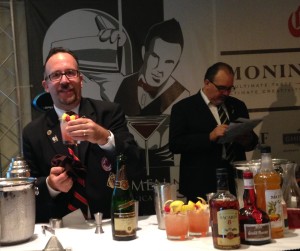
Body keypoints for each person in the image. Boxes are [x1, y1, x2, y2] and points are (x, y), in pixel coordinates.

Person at [22, 47, 143, 223]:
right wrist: (50, 185)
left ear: (81, 79)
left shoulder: (109, 113)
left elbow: (135, 164)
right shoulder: (32, 132)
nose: (64, 81)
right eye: (55, 75)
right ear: (46, 86)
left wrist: (105, 138)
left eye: (70, 73)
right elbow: (29, 189)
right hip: (61, 228)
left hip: (110, 223)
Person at [169, 62, 259, 201]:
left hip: (235, 182)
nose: (226, 93)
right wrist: (209, 137)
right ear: (207, 83)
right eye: (222, 88)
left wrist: (247, 139)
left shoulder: (237, 105)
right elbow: (175, 144)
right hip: (201, 184)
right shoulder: (184, 108)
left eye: (230, 88)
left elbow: (252, 142)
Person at [114, 18, 189, 116]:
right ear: (143, 53)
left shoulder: (181, 95)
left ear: (176, 65)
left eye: (169, 62)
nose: (159, 69)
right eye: (155, 57)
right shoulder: (126, 84)